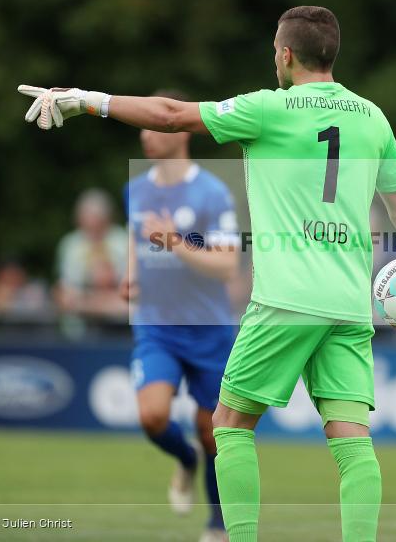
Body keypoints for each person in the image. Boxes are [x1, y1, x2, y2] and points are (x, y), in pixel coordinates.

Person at [18, 5, 396, 542]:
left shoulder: (266, 109)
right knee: (352, 443)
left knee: (228, 427)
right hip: (348, 305)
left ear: (285, 54)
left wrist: (85, 100)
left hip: (285, 302)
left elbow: (169, 115)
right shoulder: (372, 118)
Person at [121, 89, 240, 542]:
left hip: (208, 328)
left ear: (178, 130)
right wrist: (130, 277)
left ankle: (217, 527)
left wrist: (175, 244)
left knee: (215, 433)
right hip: (157, 325)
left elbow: (227, 265)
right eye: (142, 127)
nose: (145, 135)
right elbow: (136, 244)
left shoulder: (211, 191)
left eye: (153, 125)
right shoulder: (136, 188)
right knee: (152, 417)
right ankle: (185, 460)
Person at [54, 188, 127, 318]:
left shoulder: (123, 240)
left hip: (118, 313)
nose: (92, 225)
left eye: (96, 220)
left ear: (107, 219)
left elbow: (131, 288)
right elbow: (65, 292)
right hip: (82, 317)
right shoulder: (70, 244)